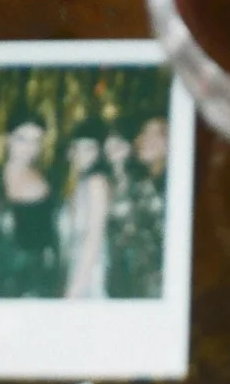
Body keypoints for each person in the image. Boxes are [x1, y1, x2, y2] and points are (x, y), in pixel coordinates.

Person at [0, 113, 64, 298]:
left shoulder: (51, 183)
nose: (29, 147)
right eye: (22, 139)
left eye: (36, 140)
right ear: (7, 139)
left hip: (40, 288)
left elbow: (54, 243)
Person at [106, 118, 167, 299]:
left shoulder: (173, 187)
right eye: (143, 133)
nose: (143, 140)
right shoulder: (143, 184)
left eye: (157, 133)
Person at [59, 124, 113, 300]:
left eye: (89, 148)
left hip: (90, 267)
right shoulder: (76, 184)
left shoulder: (96, 182)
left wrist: (76, 287)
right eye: (77, 148)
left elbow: (94, 236)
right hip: (75, 262)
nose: (82, 154)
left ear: (98, 153)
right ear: (69, 151)